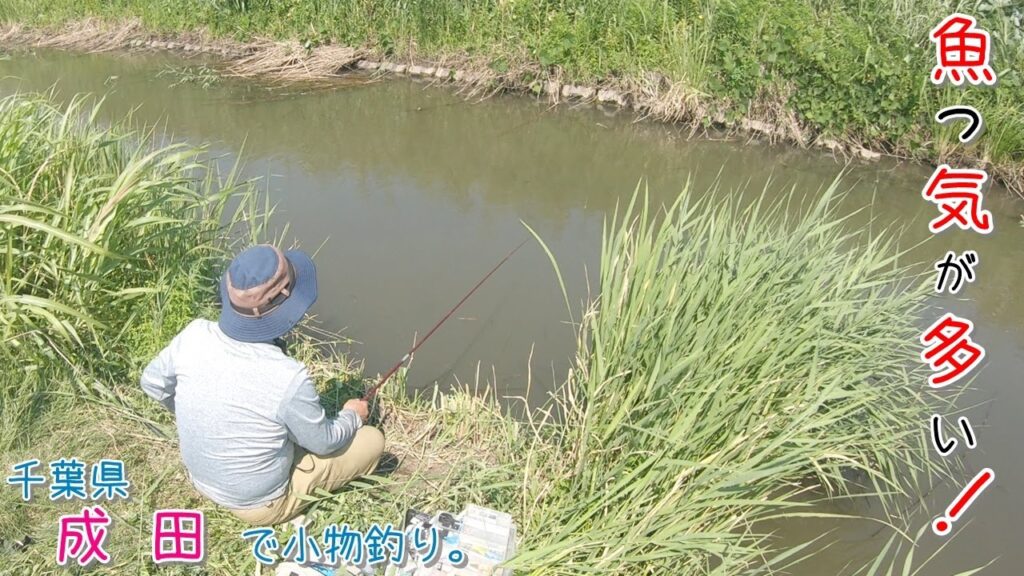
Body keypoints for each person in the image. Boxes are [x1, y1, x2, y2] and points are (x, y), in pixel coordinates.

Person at [140, 244, 384, 525]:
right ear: (286, 302)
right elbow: (324, 443)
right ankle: (286, 509)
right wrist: (353, 415)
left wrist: (194, 411)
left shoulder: (193, 335)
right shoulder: (287, 376)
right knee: (372, 441)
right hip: (258, 504)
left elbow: (152, 384)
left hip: (201, 478)